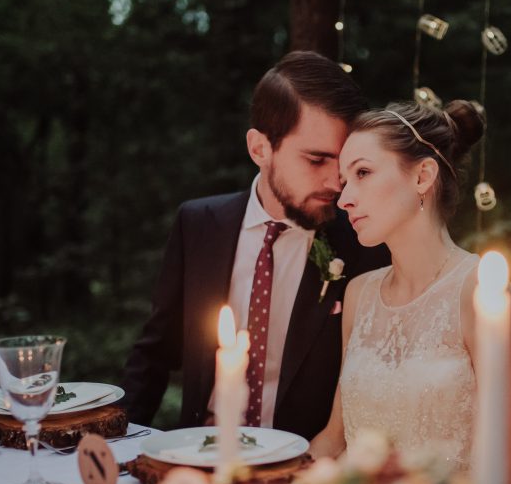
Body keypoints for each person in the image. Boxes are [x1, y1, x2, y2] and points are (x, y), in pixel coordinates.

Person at [120, 51, 389, 435]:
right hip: (200, 452)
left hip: (303, 469)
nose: (337, 182)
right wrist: (118, 446)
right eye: (316, 160)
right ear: (260, 148)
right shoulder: (198, 225)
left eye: (343, 163)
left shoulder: (364, 243)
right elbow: (155, 352)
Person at [310, 99, 511, 484]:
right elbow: (334, 440)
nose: (345, 198)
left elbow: (508, 482)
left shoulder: (482, 292)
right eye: (344, 181)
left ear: (423, 176)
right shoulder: (359, 295)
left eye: (363, 173)